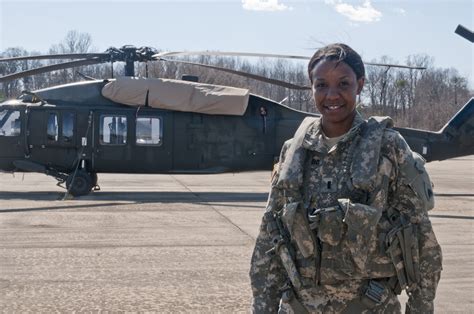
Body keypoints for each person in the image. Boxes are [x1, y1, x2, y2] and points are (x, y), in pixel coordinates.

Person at [249, 43, 442, 313]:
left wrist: (420, 307)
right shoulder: (293, 151)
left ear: (359, 84)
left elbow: (422, 239)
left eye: (343, 84)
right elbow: (269, 236)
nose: (332, 95)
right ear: (311, 87)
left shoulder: (387, 147)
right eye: (321, 85)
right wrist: (262, 307)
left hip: (369, 306)